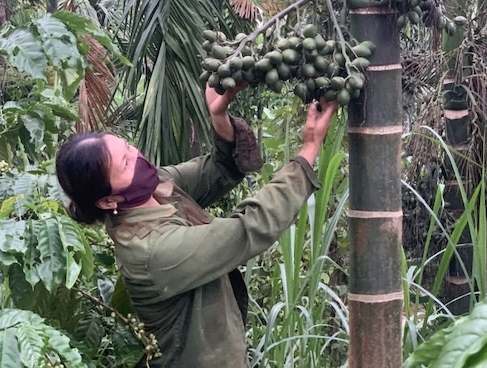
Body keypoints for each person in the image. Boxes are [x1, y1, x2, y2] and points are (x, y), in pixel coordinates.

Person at [55, 85, 338, 367]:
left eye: (129, 148)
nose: (138, 157)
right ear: (107, 201)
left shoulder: (153, 189)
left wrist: (219, 116)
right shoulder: (152, 252)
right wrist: (309, 150)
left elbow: (221, 168)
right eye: (127, 164)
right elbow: (249, 227)